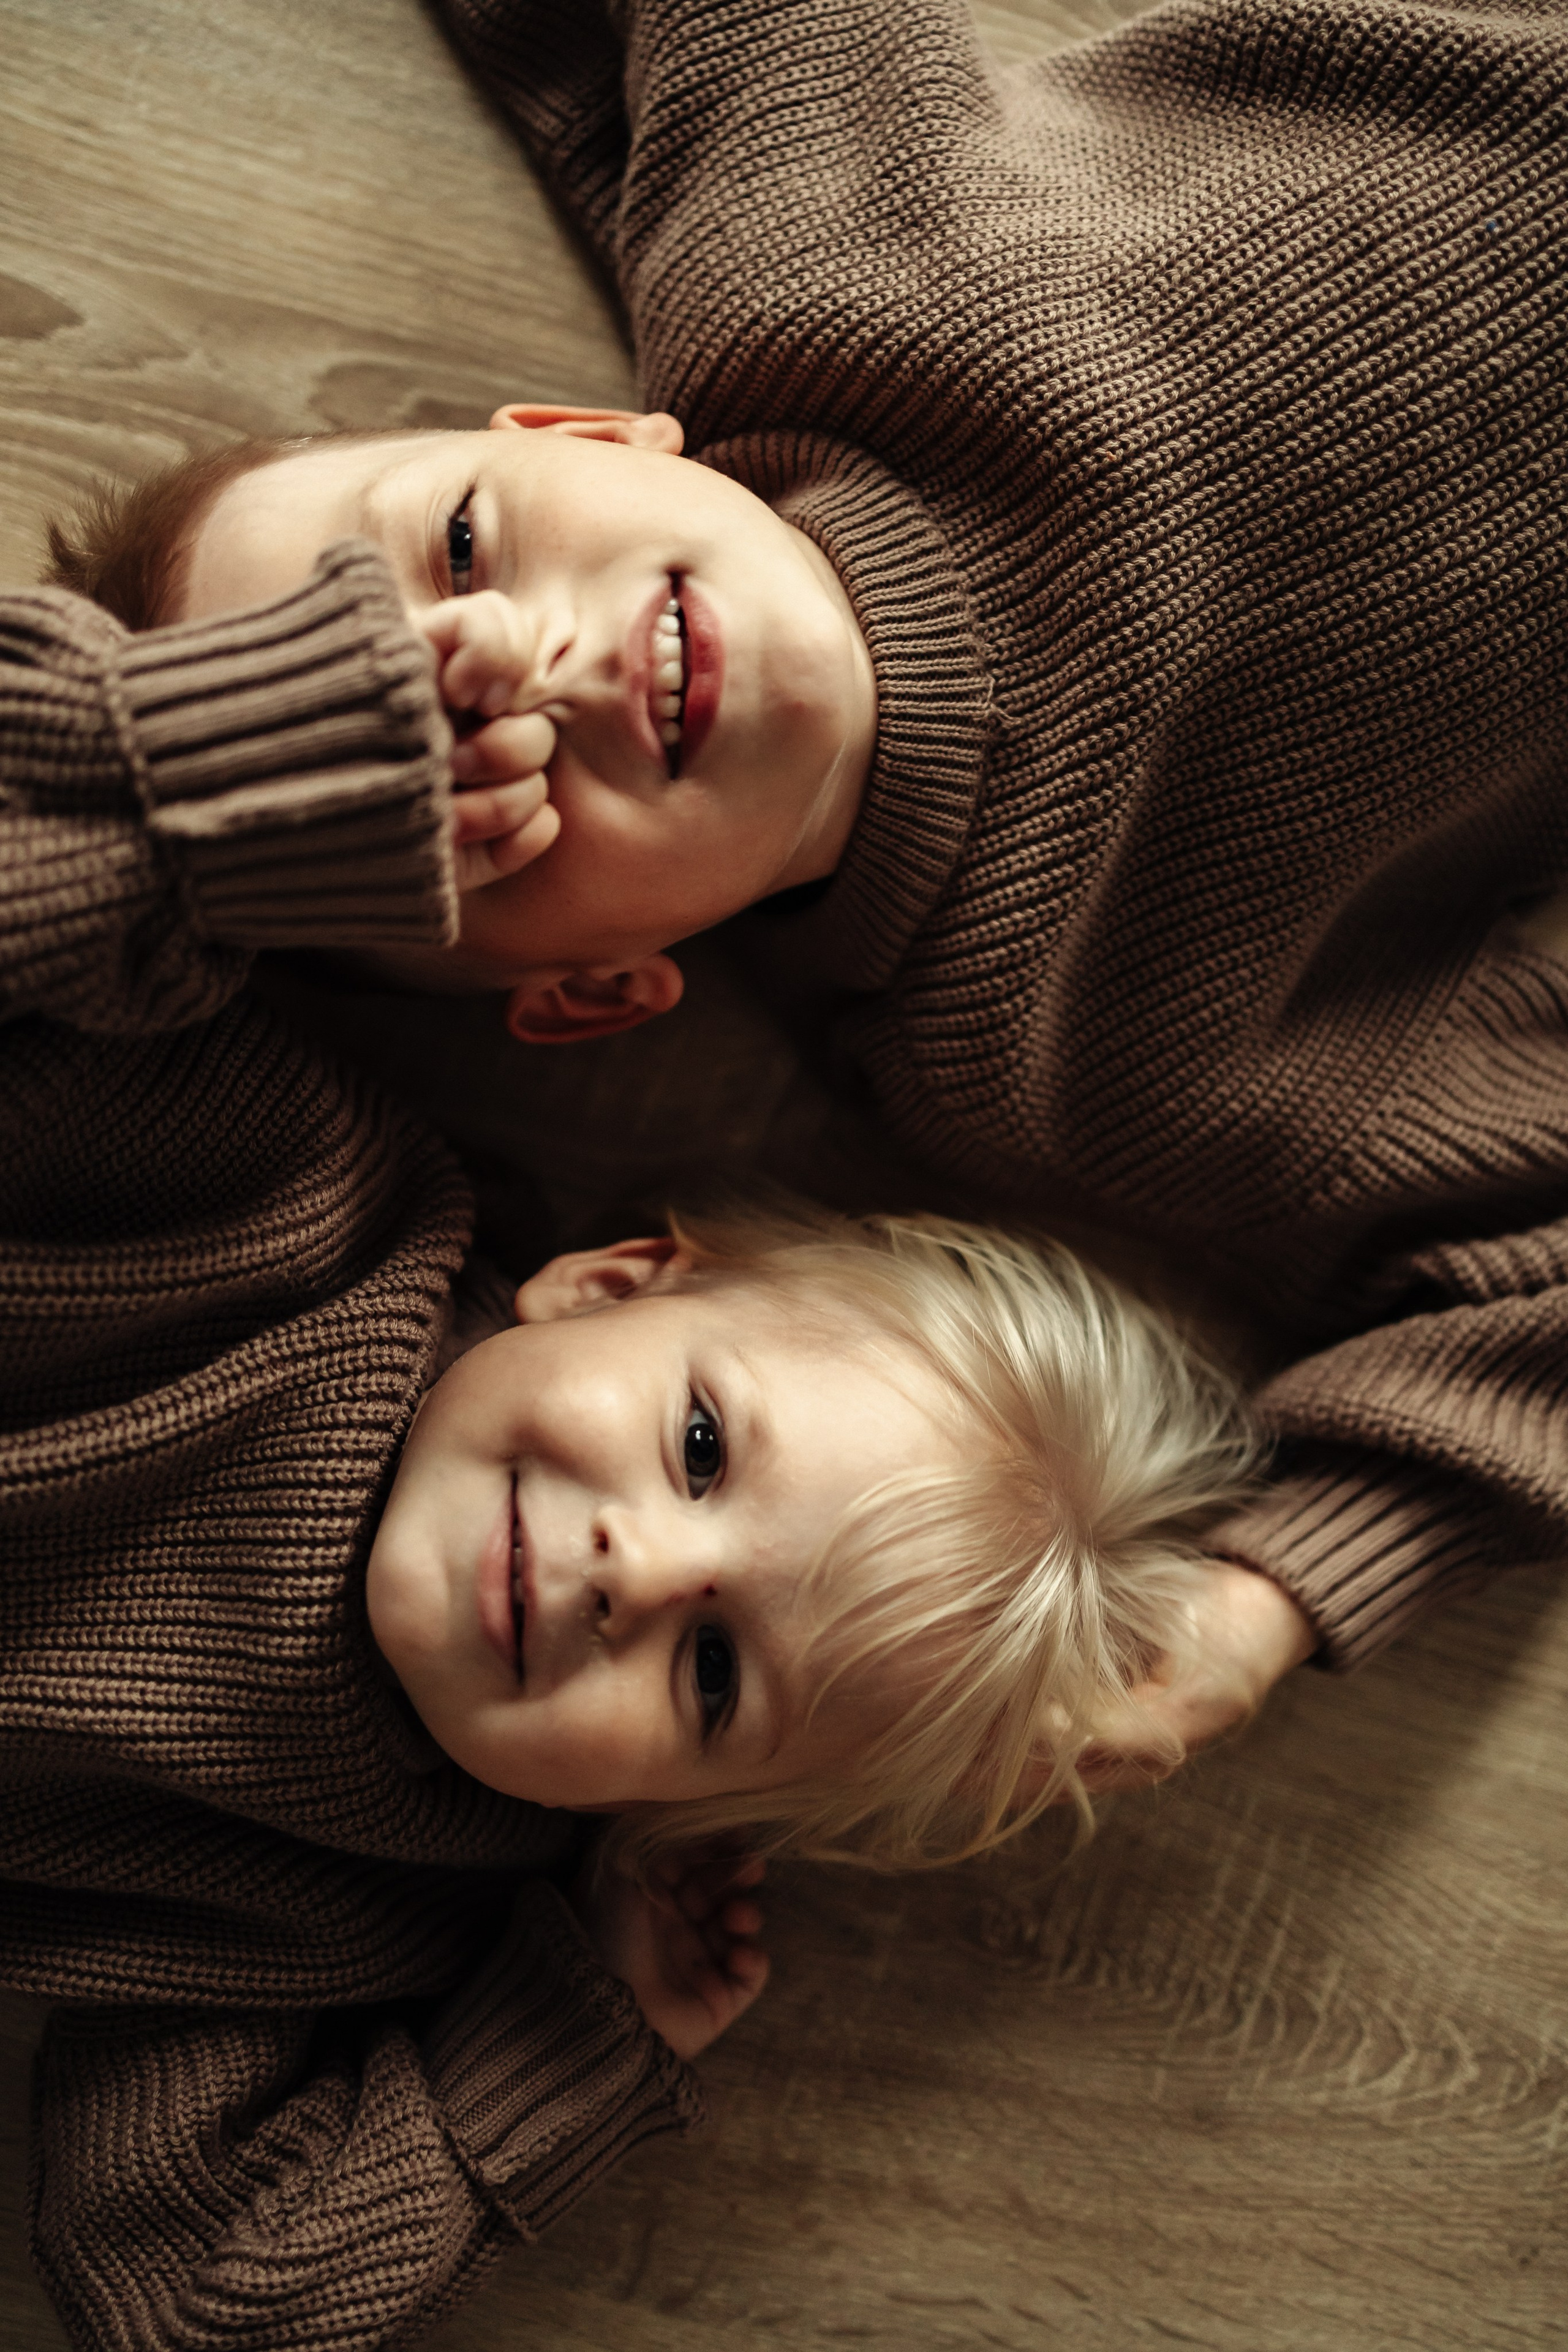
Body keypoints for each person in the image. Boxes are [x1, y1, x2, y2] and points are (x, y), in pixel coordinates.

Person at [44, 0, 1568, 1725]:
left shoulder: (800, 283)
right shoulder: (1062, 1055)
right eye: (451, 802)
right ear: (597, 991)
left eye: (462, 548)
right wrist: (1263, 1604)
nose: (529, 677)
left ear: (582, 441)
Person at [0, 559, 1270, 2351]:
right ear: (607, 1283)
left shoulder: (350, 1900)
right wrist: (244, 773)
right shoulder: (270, 1181)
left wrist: (558, 2049)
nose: (642, 1571)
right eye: (697, 1443)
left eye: (716, 1671)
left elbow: (187, 2302)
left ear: (660, 1812)